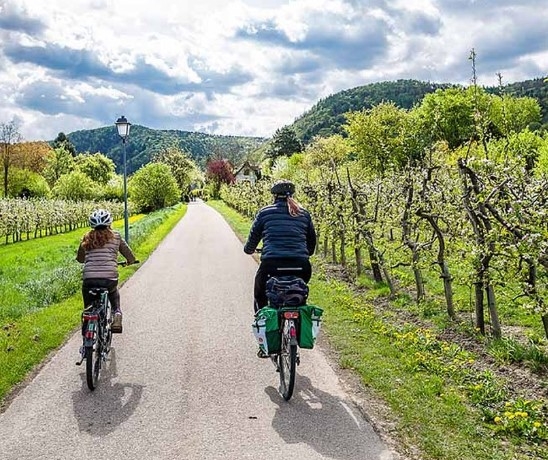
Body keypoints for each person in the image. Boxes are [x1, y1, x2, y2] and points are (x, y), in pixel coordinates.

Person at [244, 179, 317, 320]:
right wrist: (303, 253)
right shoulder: (303, 214)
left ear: (274, 196)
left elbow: (253, 239)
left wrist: (249, 249)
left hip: (271, 265)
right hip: (301, 265)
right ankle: (299, 322)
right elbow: (311, 243)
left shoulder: (264, 213)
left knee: (260, 294)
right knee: (299, 291)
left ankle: (264, 324)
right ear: (292, 195)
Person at [76, 209, 137, 333]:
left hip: (89, 279)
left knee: (88, 306)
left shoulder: (86, 238)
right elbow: (129, 255)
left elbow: (80, 259)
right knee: (113, 292)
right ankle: (117, 313)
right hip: (109, 278)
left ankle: (87, 323)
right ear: (109, 223)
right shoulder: (116, 236)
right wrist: (130, 261)